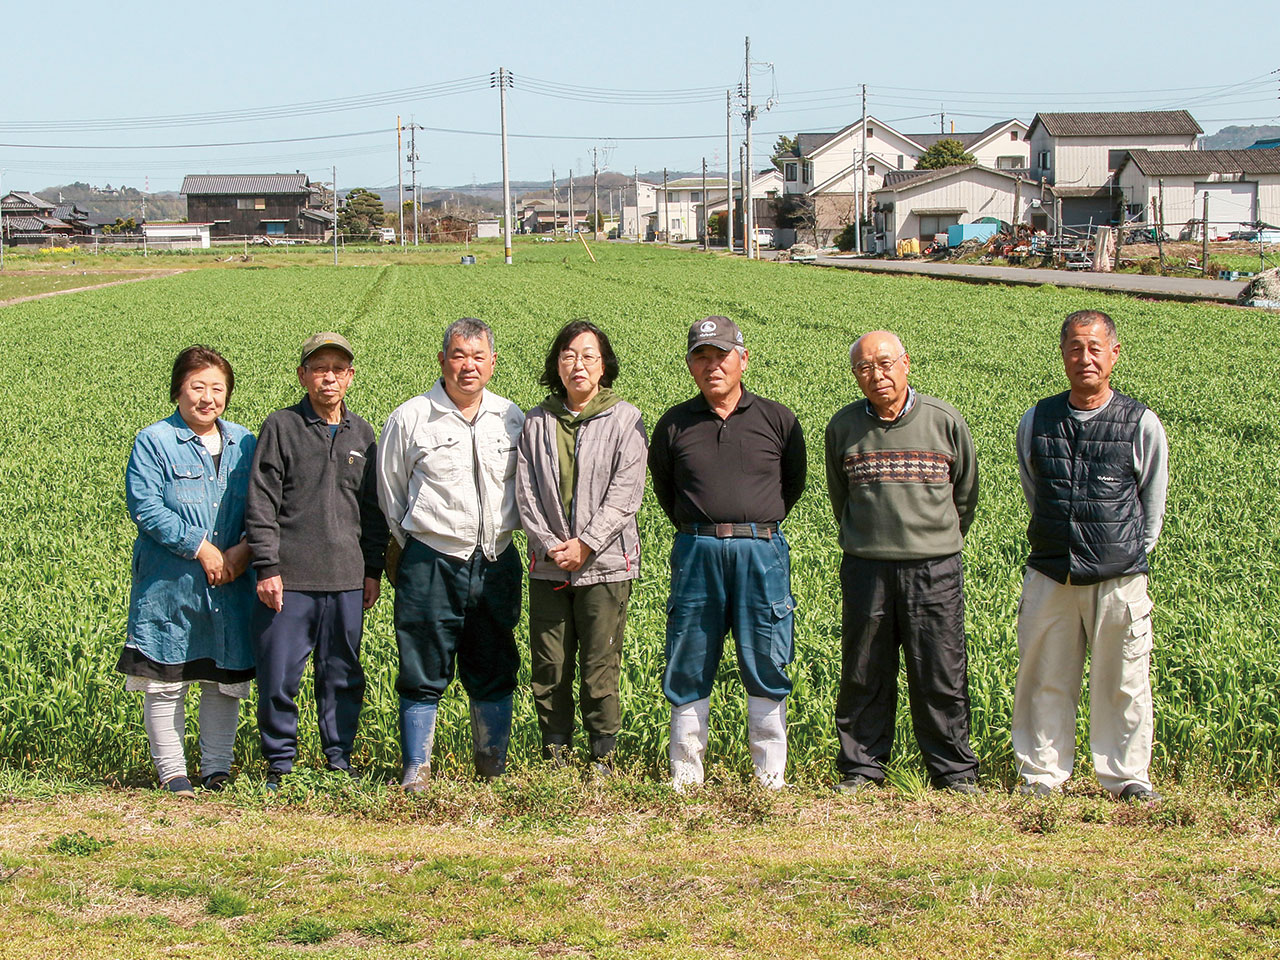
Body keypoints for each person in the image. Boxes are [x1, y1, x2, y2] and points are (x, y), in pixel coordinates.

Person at [1012, 310, 1168, 802]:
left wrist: (1123, 555)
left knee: (1123, 678)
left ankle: (1126, 778)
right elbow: (1035, 491)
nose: (1085, 358)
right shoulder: (1038, 418)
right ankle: (1042, 774)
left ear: (1114, 355)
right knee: (1043, 675)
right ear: (1063, 355)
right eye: (1075, 348)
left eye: (1095, 348)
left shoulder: (1139, 421)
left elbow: (1151, 505)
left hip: (1118, 576)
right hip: (1052, 571)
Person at [648, 316, 806, 790]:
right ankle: (686, 774)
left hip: (761, 548)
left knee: (766, 651)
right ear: (690, 365)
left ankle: (768, 776)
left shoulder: (777, 419)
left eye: (721, 356)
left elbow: (791, 484)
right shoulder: (675, 423)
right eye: (701, 357)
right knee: (690, 652)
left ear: (743, 359)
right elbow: (665, 489)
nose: (712, 366)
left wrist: (751, 525)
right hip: (697, 547)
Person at [824, 331, 981, 795]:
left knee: (940, 669)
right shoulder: (844, 427)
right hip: (866, 566)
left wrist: (934, 538)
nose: (877, 375)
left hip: (934, 567)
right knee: (864, 670)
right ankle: (862, 769)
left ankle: (953, 772)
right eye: (864, 368)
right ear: (856, 376)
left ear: (906, 363)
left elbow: (965, 494)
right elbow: (841, 497)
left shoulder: (943, 420)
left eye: (885, 363)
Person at [378, 318, 526, 788]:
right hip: (430, 560)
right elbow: (391, 493)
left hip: (497, 558)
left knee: (494, 663)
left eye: (478, 357)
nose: (468, 366)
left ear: (493, 363)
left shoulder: (511, 417)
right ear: (442, 360)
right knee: (421, 664)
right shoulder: (411, 418)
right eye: (459, 355)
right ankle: (416, 770)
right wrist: (419, 546)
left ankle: (491, 767)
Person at [246, 332, 387, 786]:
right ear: (303, 375)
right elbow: (261, 502)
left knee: (342, 676)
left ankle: (338, 759)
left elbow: (373, 510)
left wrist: (371, 570)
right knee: (279, 675)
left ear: (350, 377)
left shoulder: (363, 434)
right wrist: (267, 567)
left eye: (338, 369)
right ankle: (279, 764)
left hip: (346, 578)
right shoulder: (281, 427)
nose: (329, 377)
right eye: (319, 368)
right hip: (289, 579)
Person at [118, 346, 256, 797]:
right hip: (169, 582)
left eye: (217, 388)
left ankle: (217, 769)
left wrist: (244, 550)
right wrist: (202, 549)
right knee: (164, 678)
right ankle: (173, 773)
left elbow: (264, 504)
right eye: (197, 387)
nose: (208, 397)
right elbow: (145, 506)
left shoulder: (245, 442)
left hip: (231, 583)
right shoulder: (154, 441)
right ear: (178, 389)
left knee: (223, 676)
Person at [515, 320, 647, 771]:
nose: (579, 364)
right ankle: (556, 754)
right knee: (550, 664)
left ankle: (603, 757)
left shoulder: (625, 418)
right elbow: (526, 491)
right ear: (557, 364)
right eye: (569, 355)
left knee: (599, 665)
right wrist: (553, 546)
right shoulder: (536, 420)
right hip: (550, 566)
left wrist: (587, 544)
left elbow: (626, 493)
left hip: (606, 566)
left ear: (603, 365)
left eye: (589, 356)